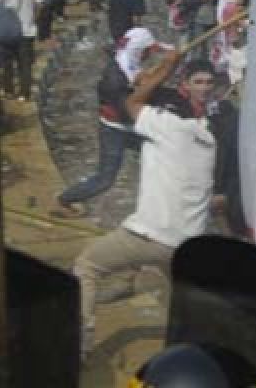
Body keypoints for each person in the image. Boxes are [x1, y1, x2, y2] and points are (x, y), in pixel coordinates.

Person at [73, 54, 217, 358]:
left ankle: (81, 343)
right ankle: (197, 349)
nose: (204, 87)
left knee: (87, 265)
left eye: (207, 82)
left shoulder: (166, 126)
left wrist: (163, 69)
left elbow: (131, 103)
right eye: (200, 82)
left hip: (150, 237)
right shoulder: (208, 139)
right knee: (178, 296)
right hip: (186, 244)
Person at [56, 28, 169, 215]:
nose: (150, 55)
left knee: (164, 156)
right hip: (115, 129)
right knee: (105, 179)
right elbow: (130, 109)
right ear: (139, 50)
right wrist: (159, 77)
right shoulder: (115, 78)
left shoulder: (128, 62)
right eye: (148, 51)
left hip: (128, 126)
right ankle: (65, 198)